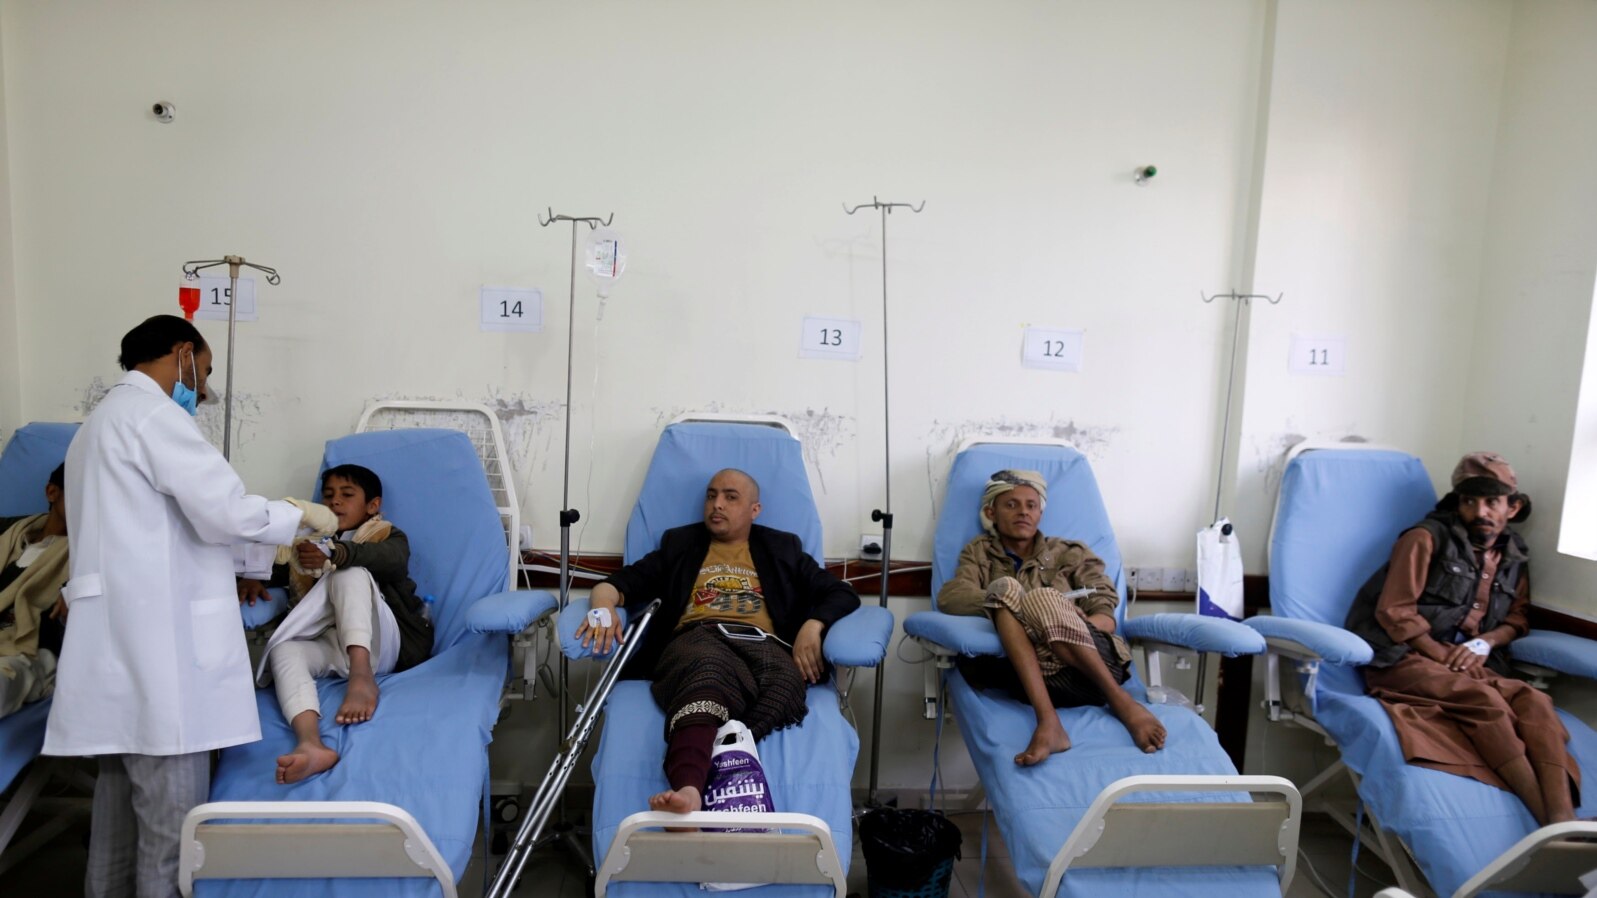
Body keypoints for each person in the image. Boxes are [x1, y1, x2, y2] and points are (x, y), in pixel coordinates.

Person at [44, 314, 334, 898]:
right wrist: (297, 514)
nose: (201, 390)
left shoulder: (95, 426)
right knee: (171, 835)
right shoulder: (155, 417)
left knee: (115, 827)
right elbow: (223, 510)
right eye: (202, 371)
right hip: (161, 659)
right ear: (181, 353)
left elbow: (159, 528)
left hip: (113, 652)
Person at [573, 468, 859, 817]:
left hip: (764, 644)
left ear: (755, 510)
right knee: (708, 674)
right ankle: (689, 789)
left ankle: (719, 746)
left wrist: (814, 625)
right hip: (699, 637)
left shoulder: (783, 548)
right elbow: (615, 585)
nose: (717, 504)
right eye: (711, 495)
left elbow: (841, 593)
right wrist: (603, 608)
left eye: (730, 497)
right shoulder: (680, 545)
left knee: (786, 684)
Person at [1345, 451, 1579, 825]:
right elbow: (1394, 611)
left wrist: (1486, 643)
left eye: (1491, 502)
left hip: (1466, 659)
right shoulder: (1424, 538)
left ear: (1513, 507)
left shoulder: (1514, 556)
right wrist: (1438, 654)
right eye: (1469, 501)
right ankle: (1549, 823)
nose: (1479, 511)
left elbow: (1517, 617)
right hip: (1403, 656)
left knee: (1534, 701)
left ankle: (1563, 814)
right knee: (1484, 701)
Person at [937, 469, 1166, 765]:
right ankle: (1049, 721)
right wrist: (1015, 607)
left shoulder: (1070, 553)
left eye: (1031, 505)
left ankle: (1120, 701)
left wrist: (1065, 618)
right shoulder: (978, 554)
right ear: (991, 513)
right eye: (1011, 504)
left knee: (1042, 597)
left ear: (1040, 513)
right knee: (1007, 589)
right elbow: (951, 596)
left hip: (1088, 669)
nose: (1023, 512)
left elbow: (1106, 615)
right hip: (1025, 673)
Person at [243, 463, 433, 784]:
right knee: (284, 650)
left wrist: (336, 555)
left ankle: (361, 678)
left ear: (372, 505)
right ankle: (310, 744)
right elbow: (277, 570)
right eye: (329, 495)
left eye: (347, 494)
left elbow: (391, 559)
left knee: (348, 572)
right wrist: (253, 577)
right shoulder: (306, 543)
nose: (335, 501)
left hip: (387, 644)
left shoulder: (387, 535)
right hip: (334, 643)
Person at [0, 463, 70, 718]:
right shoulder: (10, 532)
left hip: (28, 652)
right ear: (52, 492)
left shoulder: (90, 554)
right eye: (82, 492)